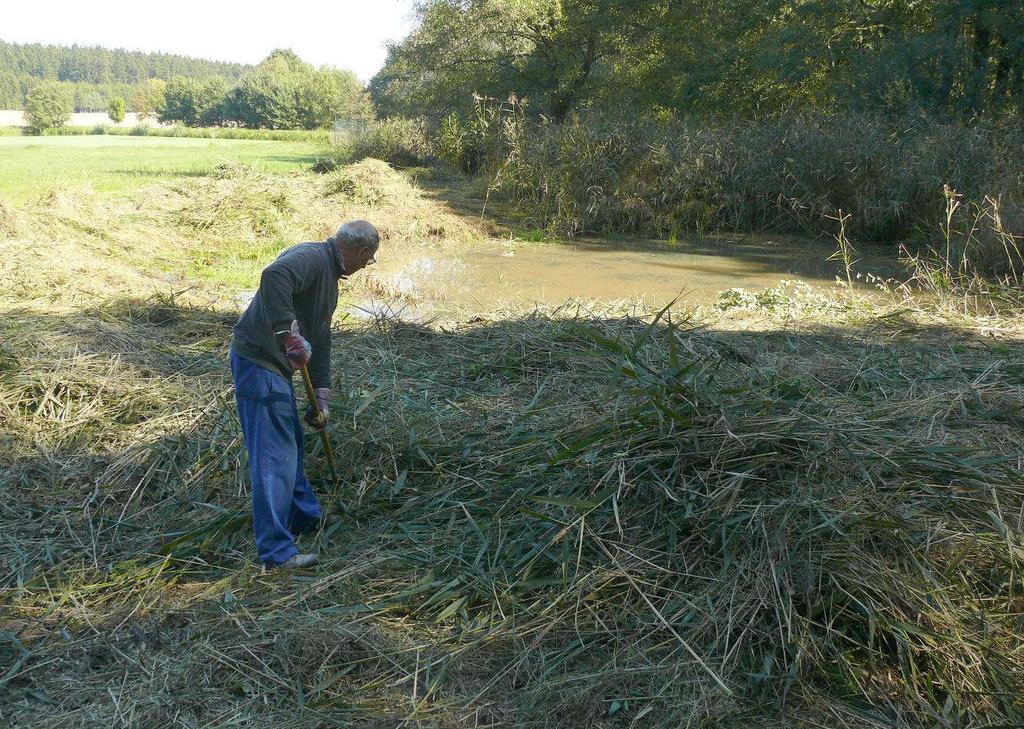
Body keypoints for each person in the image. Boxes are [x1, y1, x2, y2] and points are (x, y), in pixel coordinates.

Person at [229, 221, 379, 568]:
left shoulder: (328, 274)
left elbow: (321, 337)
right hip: (259, 361)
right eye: (368, 261)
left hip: (274, 366)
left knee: (290, 442)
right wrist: (287, 334)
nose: (364, 266)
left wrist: (321, 395)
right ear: (363, 253)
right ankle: (276, 552)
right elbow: (273, 276)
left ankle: (304, 518)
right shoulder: (312, 258)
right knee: (274, 456)